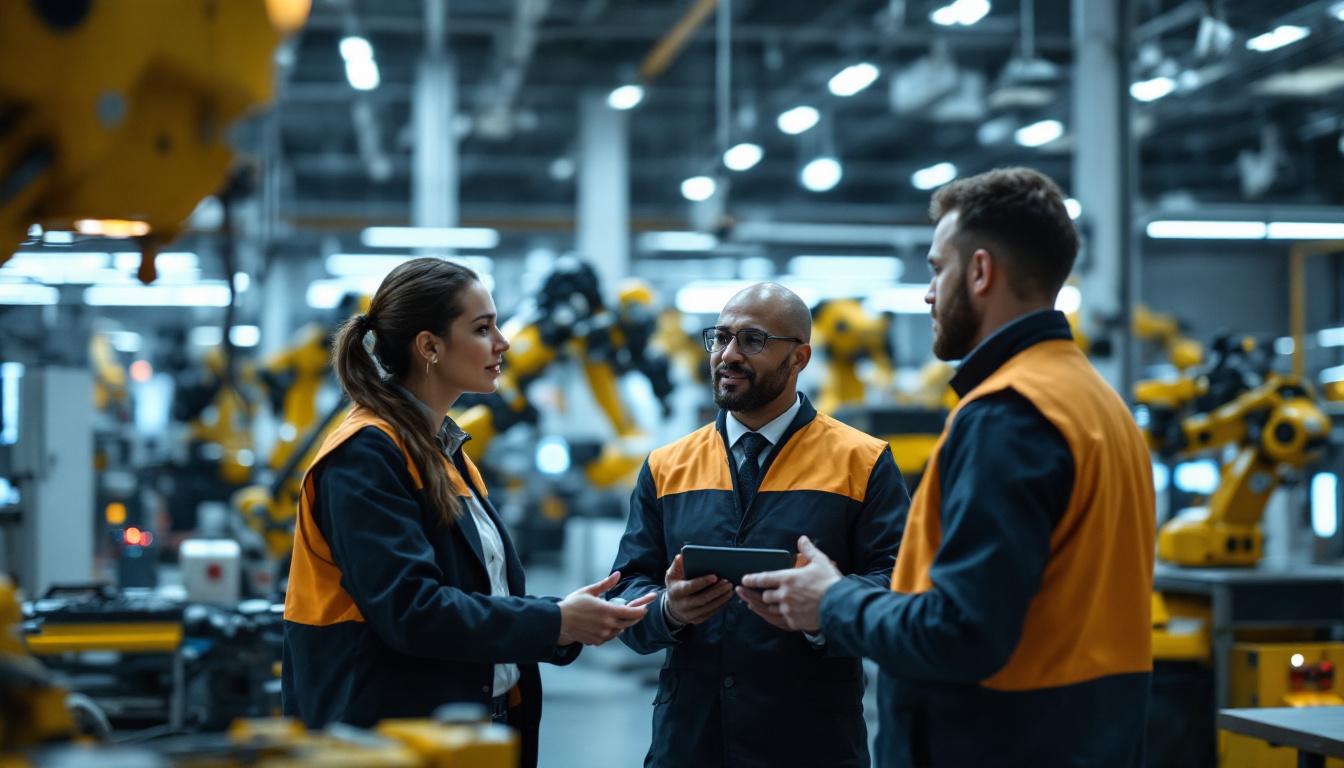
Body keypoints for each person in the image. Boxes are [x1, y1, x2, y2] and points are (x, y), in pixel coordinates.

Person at [742, 167, 1156, 767]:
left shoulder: (1007, 415)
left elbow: (961, 631)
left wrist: (830, 600)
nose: (928, 293)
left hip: (1000, 744)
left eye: (938, 269)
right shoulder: (1098, 404)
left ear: (981, 272)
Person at [282, 258, 654, 766]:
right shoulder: (366, 454)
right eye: (483, 329)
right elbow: (413, 610)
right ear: (429, 347)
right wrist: (553, 621)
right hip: (388, 739)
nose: (503, 343)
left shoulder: (444, 450)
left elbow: (476, 594)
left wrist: (566, 621)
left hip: (468, 728)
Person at [607, 282, 909, 767]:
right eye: (721, 337)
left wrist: (826, 608)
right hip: (690, 745)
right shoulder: (667, 466)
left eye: (752, 340)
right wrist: (668, 610)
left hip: (812, 746)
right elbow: (623, 591)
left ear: (799, 357)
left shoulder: (863, 462)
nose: (728, 354)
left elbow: (900, 586)